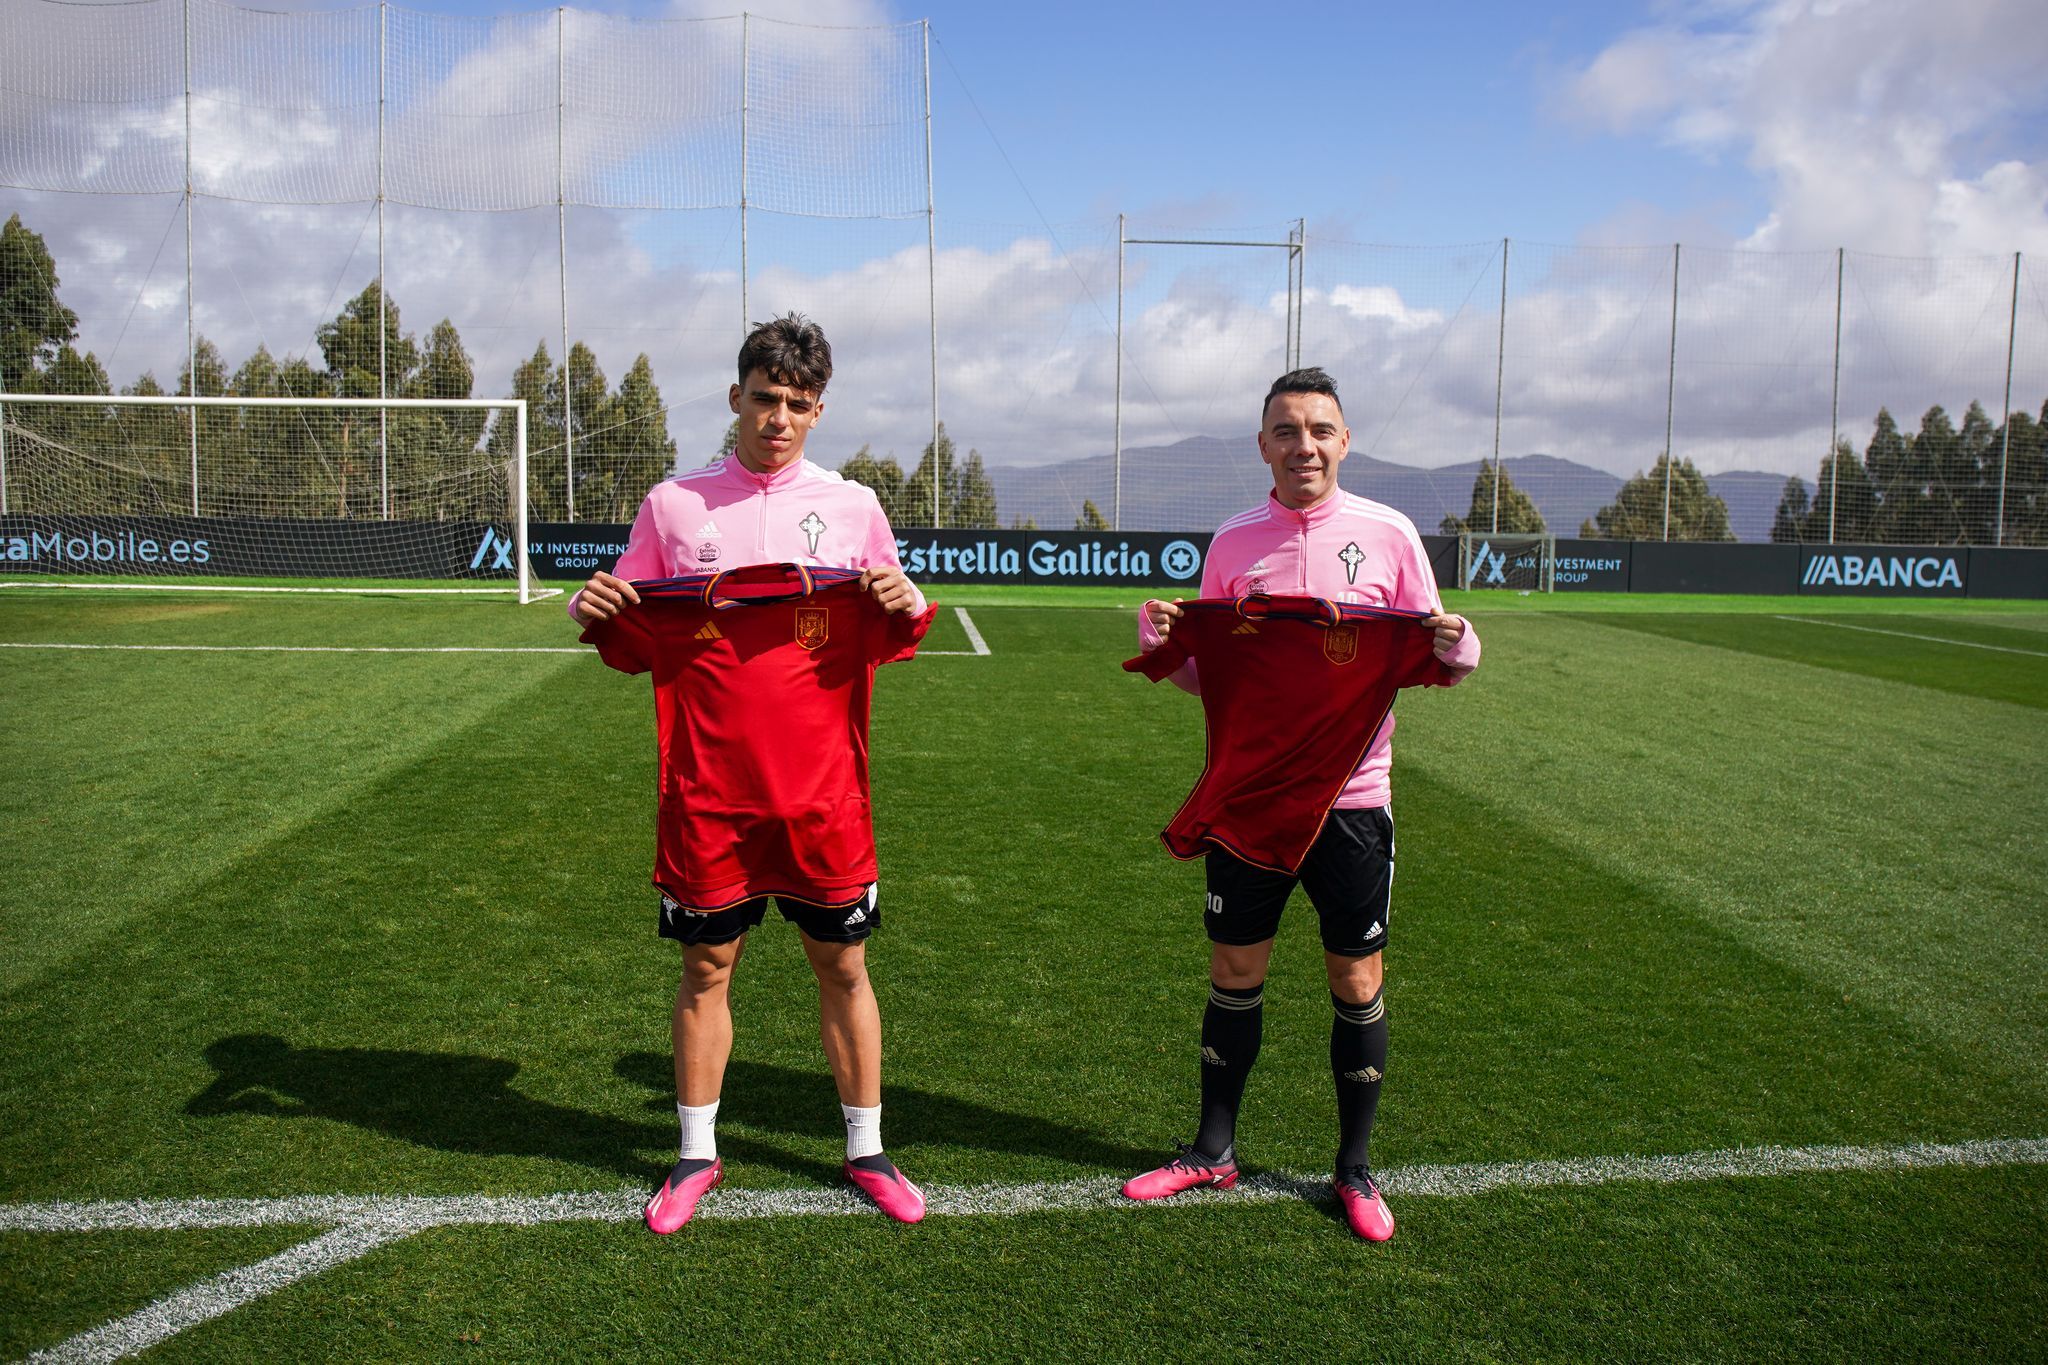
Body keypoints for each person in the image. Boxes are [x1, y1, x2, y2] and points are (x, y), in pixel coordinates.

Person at [570, 313, 929, 1232]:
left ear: (818, 412)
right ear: (736, 397)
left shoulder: (853, 508)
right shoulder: (674, 505)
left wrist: (908, 599)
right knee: (705, 965)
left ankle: (868, 1149)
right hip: (708, 796)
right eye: (765, 399)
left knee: (843, 965)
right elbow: (629, 642)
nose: (779, 417)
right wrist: (599, 607)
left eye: (798, 404)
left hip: (823, 798)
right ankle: (695, 1155)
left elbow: (893, 632)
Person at [1124, 366, 1480, 1242]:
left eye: (1320, 429)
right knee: (1234, 974)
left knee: (1355, 979)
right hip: (1249, 801)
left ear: (1344, 441)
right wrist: (1168, 647)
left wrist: (1462, 644)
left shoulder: (1390, 535)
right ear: (1263, 446)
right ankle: (1213, 1149)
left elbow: (1430, 656)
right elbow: (1219, 682)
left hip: (1354, 804)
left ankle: (1354, 1168)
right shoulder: (1234, 542)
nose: (1304, 445)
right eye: (1286, 430)